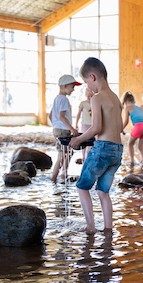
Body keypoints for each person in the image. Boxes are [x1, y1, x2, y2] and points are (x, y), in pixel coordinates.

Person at [69, 57, 123, 234]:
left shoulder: (97, 98)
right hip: (117, 151)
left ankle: (91, 226)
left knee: (82, 186)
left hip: (103, 149)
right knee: (103, 192)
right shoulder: (115, 98)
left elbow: (97, 128)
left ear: (92, 77)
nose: (87, 86)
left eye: (86, 82)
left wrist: (78, 139)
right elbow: (118, 127)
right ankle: (108, 229)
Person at [49, 74, 81, 183]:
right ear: (65, 86)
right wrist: (73, 129)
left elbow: (51, 115)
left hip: (57, 129)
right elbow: (62, 117)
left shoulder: (57, 98)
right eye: (72, 87)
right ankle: (53, 178)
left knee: (68, 151)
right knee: (61, 156)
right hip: (63, 130)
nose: (73, 90)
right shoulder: (64, 100)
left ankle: (63, 173)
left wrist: (55, 124)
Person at [121, 91, 143, 167]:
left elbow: (126, 121)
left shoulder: (127, 107)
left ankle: (132, 161)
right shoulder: (139, 108)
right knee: (141, 147)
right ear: (133, 100)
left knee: (130, 143)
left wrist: (121, 129)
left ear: (125, 101)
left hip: (139, 126)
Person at [75, 87, 94, 163]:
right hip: (85, 124)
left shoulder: (95, 103)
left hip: (93, 125)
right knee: (84, 139)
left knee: (91, 141)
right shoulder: (83, 103)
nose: (89, 98)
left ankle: (89, 156)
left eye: (91, 96)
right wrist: (76, 123)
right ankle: (83, 157)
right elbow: (78, 114)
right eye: (88, 96)